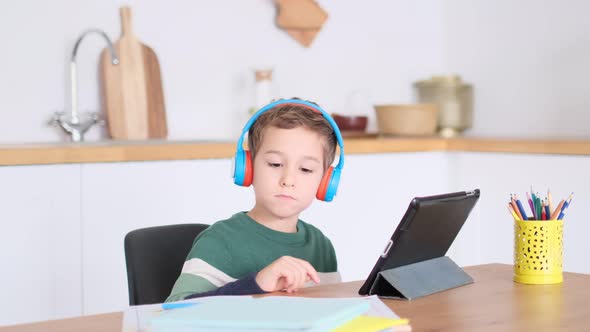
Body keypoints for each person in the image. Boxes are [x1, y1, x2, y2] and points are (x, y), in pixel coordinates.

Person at [166, 98, 345, 302]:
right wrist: (256, 284)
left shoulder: (322, 248)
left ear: (325, 182)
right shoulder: (218, 243)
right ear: (248, 168)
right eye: (275, 164)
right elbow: (172, 314)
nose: (288, 180)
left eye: (305, 169)